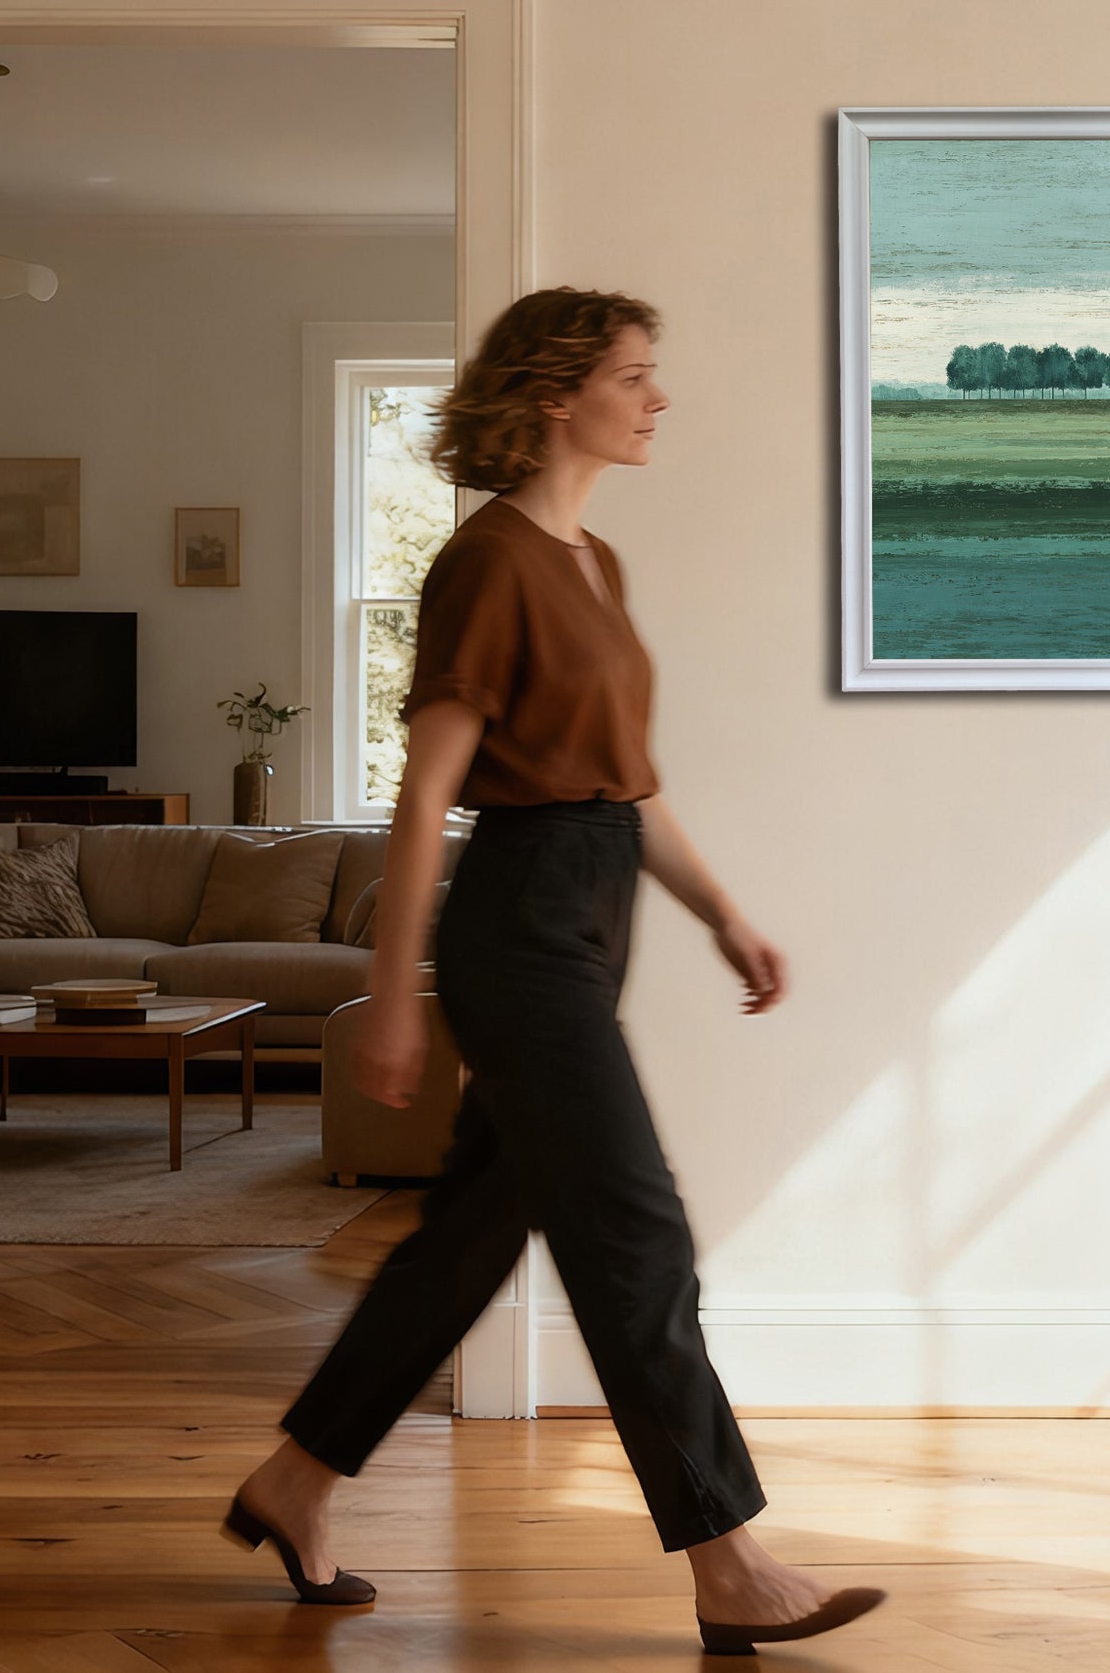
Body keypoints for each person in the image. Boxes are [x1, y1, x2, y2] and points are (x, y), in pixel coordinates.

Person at [220, 287, 885, 1656]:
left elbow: (629, 788)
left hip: (591, 905)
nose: (656, 399)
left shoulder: (596, 564)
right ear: (552, 395)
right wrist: (393, 994)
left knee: (468, 1238)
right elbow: (426, 801)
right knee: (634, 1230)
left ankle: (297, 1479)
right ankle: (726, 1555)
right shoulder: (487, 561)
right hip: (519, 925)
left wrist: (719, 913)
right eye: (635, 376)